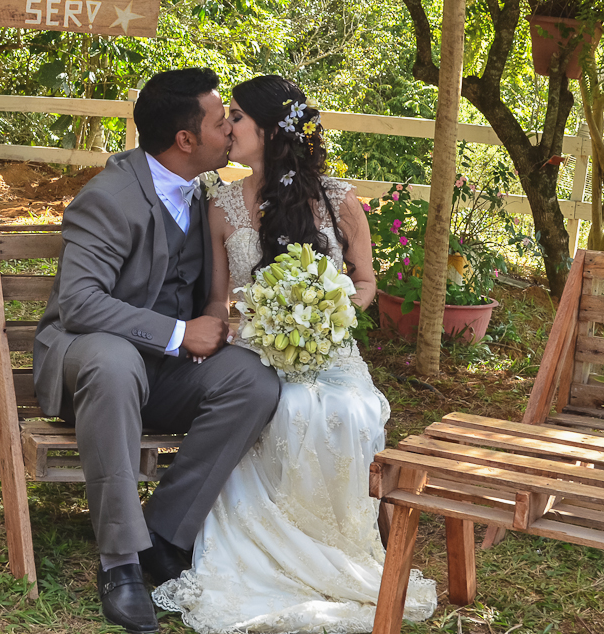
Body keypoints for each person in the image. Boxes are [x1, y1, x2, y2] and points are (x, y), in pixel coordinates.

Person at [152, 76, 437, 633]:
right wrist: (229, 328)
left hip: (332, 352)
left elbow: (366, 283)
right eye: (225, 117)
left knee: (347, 413)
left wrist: (332, 311)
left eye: (237, 117)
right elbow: (217, 298)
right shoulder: (222, 202)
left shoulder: (337, 199)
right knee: (282, 408)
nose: (227, 127)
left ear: (269, 129)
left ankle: (337, 551)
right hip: (256, 351)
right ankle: (263, 554)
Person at [33, 68, 283, 633]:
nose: (230, 130)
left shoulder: (206, 197)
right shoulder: (109, 199)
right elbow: (78, 304)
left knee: (253, 379)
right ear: (186, 140)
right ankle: (119, 564)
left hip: (164, 376)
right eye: (222, 122)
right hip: (93, 370)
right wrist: (177, 334)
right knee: (114, 360)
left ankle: (164, 533)